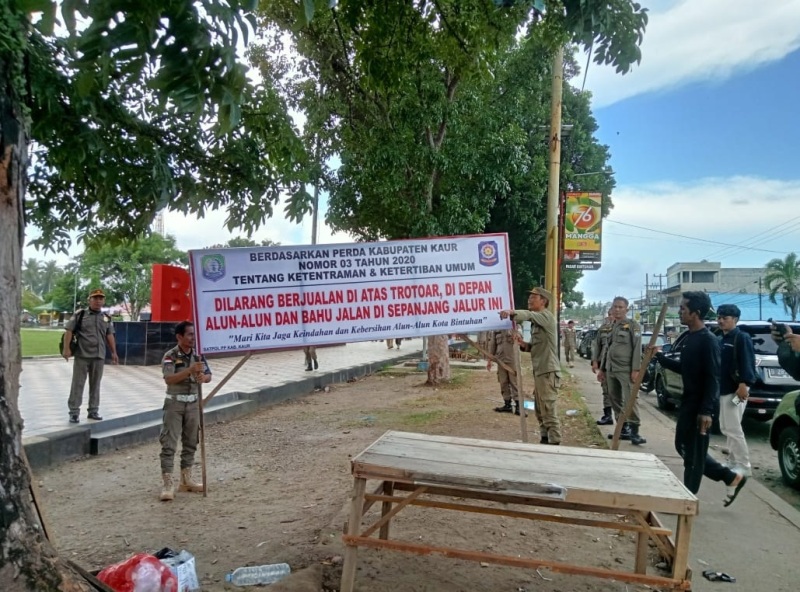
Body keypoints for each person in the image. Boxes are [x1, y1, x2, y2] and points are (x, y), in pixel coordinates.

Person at [655, 291, 746, 504]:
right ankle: (729, 476)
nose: (680, 312)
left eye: (683, 309)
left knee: (694, 456)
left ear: (695, 313)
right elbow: (685, 369)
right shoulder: (690, 337)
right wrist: (659, 357)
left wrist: (706, 410)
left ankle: (686, 500)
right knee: (683, 447)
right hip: (688, 402)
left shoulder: (709, 341)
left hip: (700, 407)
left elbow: (713, 378)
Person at [499, 287, 561, 445]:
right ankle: (544, 439)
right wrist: (523, 344)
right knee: (540, 409)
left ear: (543, 301)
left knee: (548, 409)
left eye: (534, 297)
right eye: (530, 297)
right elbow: (535, 346)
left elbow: (528, 315)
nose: (530, 300)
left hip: (548, 371)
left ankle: (555, 443)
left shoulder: (546, 317)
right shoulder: (538, 323)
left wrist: (512, 313)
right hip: (541, 371)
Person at [159, 321, 212, 501]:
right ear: (179, 336)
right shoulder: (170, 356)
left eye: (194, 335)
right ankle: (168, 484)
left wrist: (204, 377)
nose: (193, 338)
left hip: (193, 405)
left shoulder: (198, 355)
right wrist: (189, 370)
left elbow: (208, 375)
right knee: (169, 445)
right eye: (189, 334)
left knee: (191, 442)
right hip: (175, 404)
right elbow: (169, 379)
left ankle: (186, 480)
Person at [63, 288, 119, 423]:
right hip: (82, 354)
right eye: (95, 298)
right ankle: (74, 412)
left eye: (101, 298)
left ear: (103, 301)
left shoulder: (106, 317)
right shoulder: (80, 314)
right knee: (78, 384)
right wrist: (66, 349)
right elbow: (69, 331)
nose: (98, 301)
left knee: (96, 385)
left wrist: (114, 352)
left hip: (99, 355)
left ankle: (93, 411)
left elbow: (109, 335)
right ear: (90, 300)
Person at [597, 297, 646, 445]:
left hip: (626, 370)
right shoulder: (611, 326)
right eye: (615, 307)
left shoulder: (633, 326)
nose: (617, 310)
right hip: (611, 370)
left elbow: (637, 348)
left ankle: (635, 431)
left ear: (627, 309)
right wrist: (602, 369)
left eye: (620, 307)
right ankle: (622, 428)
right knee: (614, 399)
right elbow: (607, 349)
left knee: (630, 401)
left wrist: (636, 369)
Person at [716, 304, 756, 476]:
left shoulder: (741, 338)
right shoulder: (721, 338)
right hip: (723, 389)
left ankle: (743, 465)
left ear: (735, 320)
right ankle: (732, 461)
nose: (721, 321)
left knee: (733, 427)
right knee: (725, 427)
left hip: (737, 390)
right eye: (719, 317)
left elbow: (747, 362)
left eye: (725, 318)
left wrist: (743, 384)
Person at [486, 329, 522, 415]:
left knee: (515, 382)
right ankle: (507, 405)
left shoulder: (515, 325)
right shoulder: (496, 330)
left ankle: (518, 406)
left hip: (513, 359)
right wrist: (489, 360)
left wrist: (515, 332)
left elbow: (520, 338)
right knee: (503, 382)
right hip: (501, 360)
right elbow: (493, 345)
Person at [591, 309, 614, 426]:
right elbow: (597, 345)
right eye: (609, 315)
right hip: (604, 364)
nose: (611, 317)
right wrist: (595, 361)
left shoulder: (626, 327)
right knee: (606, 391)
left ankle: (625, 422)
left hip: (618, 365)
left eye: (612, 315)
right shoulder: (603, 329)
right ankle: (608, 415)